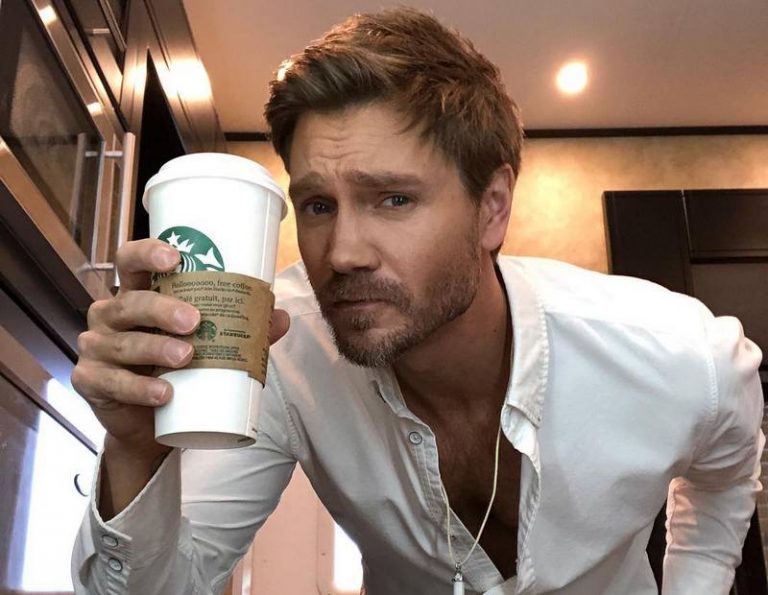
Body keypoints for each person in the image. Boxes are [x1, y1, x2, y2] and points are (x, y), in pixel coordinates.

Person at [70, 7, 764, 595]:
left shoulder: (683, 356)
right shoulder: (280, 350)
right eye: (317, 205)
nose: (343, 253)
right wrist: (135, 450)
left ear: (492, 208)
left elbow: (726, 480)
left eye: (394, 198)